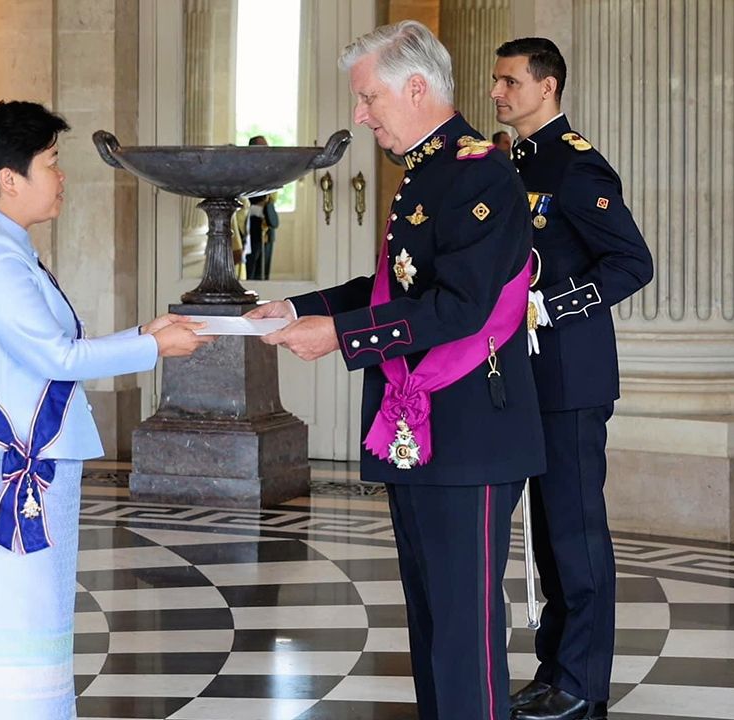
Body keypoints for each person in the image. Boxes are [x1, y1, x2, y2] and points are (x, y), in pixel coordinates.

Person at [248, 21, 545, 720]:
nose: (359, 114)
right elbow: (394, 287)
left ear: (415, 89)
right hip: (426, 428)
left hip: (469, 432)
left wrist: (342, 338)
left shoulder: (480, 174)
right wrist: (299, 306)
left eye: (367, 97)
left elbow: (461, 308)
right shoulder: (428, 172)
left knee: (464, 633)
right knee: (433, 623)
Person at [0, 100, 213, 719]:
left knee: (25, 631)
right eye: (51, 162)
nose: (61, 178)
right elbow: (56, 357)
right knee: (6, 634)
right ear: (10, 178)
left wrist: (145, 330)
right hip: (0, 471)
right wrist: (152, 345)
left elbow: (46, 351)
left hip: (14, 466)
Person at [491, 38, 654, 720]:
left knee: (576, 536)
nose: (497, 93)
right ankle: (553, 671)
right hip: (526, 376)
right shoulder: (510, 163)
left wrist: (549, 306)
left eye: (510, 82)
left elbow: (631, 262)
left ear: (547, 87)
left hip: (572, 377)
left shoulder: (577, 166)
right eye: (495, 81)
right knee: (550, 540)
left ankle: (583, 685)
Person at [245, 135, 281, 280]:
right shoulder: (246, 169)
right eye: (262, 147)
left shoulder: (271, 168)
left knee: (265, 269)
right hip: (252, 223)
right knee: (252, 265)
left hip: (268, 223)